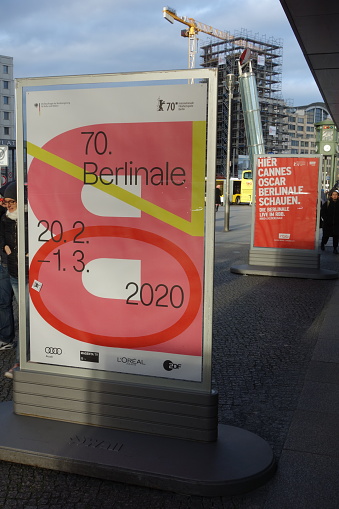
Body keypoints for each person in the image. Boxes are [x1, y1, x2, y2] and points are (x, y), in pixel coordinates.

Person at [1, 182, 20, 377]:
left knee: (27, 316)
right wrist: (5, 247)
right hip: (11, 269)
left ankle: (20, 361)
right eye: (5, 202)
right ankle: (17, 359)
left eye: (11, 201)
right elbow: (3, 238)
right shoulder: (5, 218)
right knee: (6, 304)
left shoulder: (27, 217)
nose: (7, 205)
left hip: (26, 271)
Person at [0, 185, 14, 350]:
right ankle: (6, 338)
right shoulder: (4, 216)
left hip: (19, 265)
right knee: (3, 302)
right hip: (4, 263)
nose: (7, 204)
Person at [320, 189, 339, 254]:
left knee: (336, 236)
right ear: (331, 195)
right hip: (327, 224)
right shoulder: (327, 203)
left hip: (336, 224)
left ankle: (335, 248)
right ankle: (323, 244)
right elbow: (322, 212)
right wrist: (326, 219)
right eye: (333, 194)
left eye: (336, 195)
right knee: (326, 235)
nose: (334, 196)